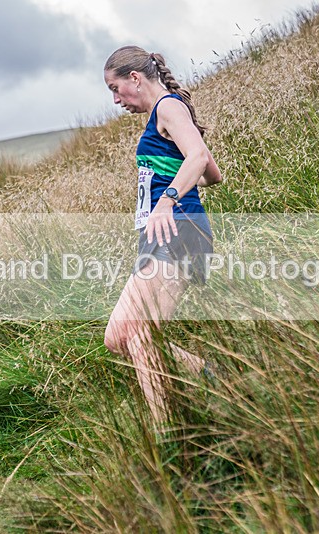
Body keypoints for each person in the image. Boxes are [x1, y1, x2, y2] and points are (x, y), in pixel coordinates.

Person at [102, 45, 223, 426]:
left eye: (115, 88)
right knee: (118, 336)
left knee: (140, 333)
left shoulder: (169, 107)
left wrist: (168, 199)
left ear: (135, 77)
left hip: (178, 228)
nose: (116, 99)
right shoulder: (165, 116)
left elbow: (199, 159)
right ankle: (205, 372)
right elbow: (211, 173)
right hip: (161, 233)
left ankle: (167, 432)